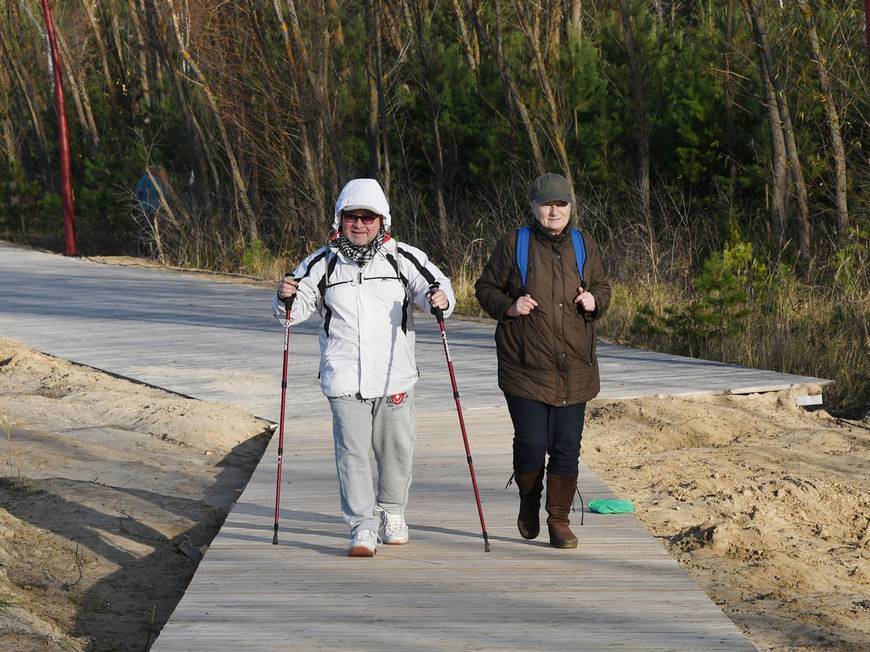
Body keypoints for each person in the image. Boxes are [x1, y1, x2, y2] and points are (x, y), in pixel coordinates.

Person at [273, 178, 454, 557]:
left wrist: (440, 299)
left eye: (367, 217)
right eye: (351, 216)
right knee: (351, 453)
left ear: (381, 220)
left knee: (396, 451)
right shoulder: (321, 262)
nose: (359, 224)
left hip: (394, 377)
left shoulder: (402, 257)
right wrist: (285, 299)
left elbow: (435, 289)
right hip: (343, 376)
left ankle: (392, 512)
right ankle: (361, 526)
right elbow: (294, 311)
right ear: (339, 220)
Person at [474, 172, 611, 549]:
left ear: (570, 206)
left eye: (561, 203)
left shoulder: (585, 245)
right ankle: (529, 499)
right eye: (547, 204)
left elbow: (603, 287)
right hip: (524, 365)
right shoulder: (513, 244)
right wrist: (510, 306)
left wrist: (595, 301)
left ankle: (559, 520)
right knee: (533, 443)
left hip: (576, 367)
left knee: (567, 446)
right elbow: (484, 289)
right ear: (533, 206)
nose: (554, 210)